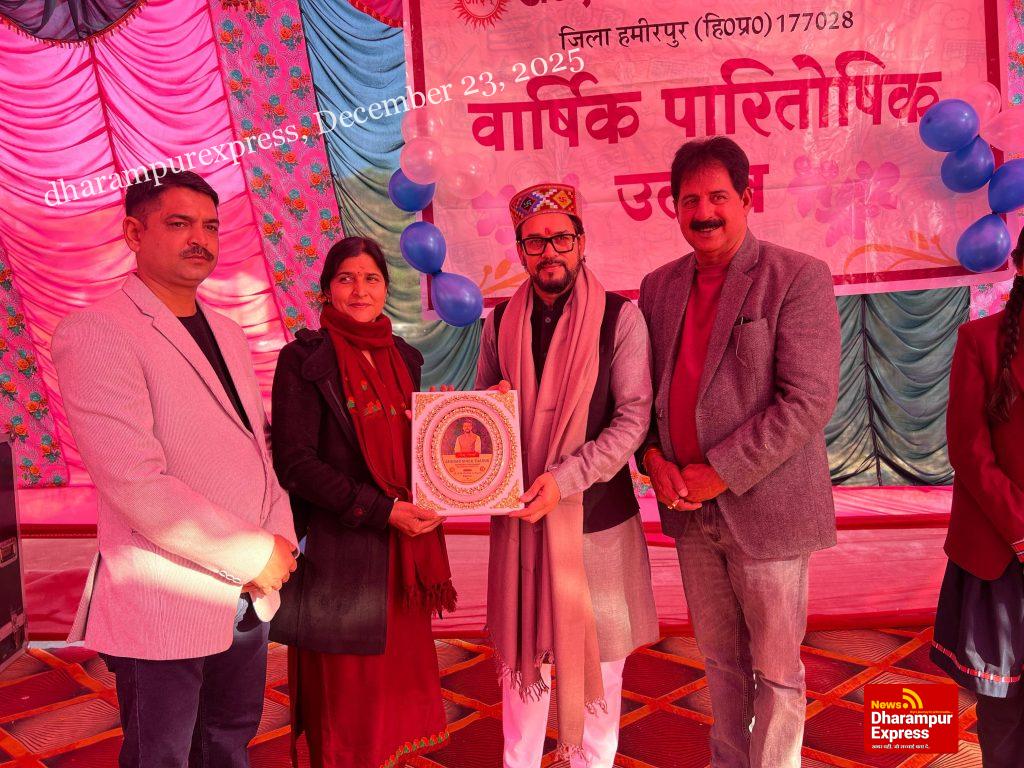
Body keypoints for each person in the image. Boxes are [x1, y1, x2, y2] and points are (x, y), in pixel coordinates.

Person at [51, 170, 298, 768]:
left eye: (210, 226)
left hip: (248, 593)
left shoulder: (228, 333)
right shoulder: (99, 330)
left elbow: (257, 451)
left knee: (229, 740)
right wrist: (253, 554)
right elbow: (134, 480)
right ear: (134, 233)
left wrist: (280, 540)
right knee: (162, 755)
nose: (199, 239)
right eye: (179, 223)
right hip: (167, 592)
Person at [638, 137, 841, 768]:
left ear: (748, 199)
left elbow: (808, 400)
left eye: (718, 197)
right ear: (673, 207)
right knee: (720, 662)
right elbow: (644, 392)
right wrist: (652, 457)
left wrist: (720, 472)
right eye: (690, 200)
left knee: (776, 670)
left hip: (768, 510)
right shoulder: (658, 287)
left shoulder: (796, 275)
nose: (704, 212)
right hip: (689, 513)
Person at [477, 183, 658, 767]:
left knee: (600, 672)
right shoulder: (500, 322)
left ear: (581, 242)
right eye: (535, 242)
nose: (549, 251)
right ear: (520, 251)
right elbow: (482, 411)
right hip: (522, 522)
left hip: (596, 524)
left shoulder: (621, 319)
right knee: (520, 676)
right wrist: (474, 414)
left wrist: (566, 478)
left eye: (560, 238)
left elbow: (633, 419)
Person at [269, 236, 456, 768]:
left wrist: (444, 458)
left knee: (393, 691)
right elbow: (295, 464)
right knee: (348, 701)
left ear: (386, 288)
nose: (359, 290)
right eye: (346, 278)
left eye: (371, 278)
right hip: (341, 557)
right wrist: (382, 511)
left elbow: (409, 448)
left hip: (403, 556)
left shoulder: (405, 357)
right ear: (326, 289)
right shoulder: (304, 359)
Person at [931, 227, 1024, 767]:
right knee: (1004, 707)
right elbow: (968, 449)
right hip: (1000, 554)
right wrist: (1021, 531)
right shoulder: (980, 339)